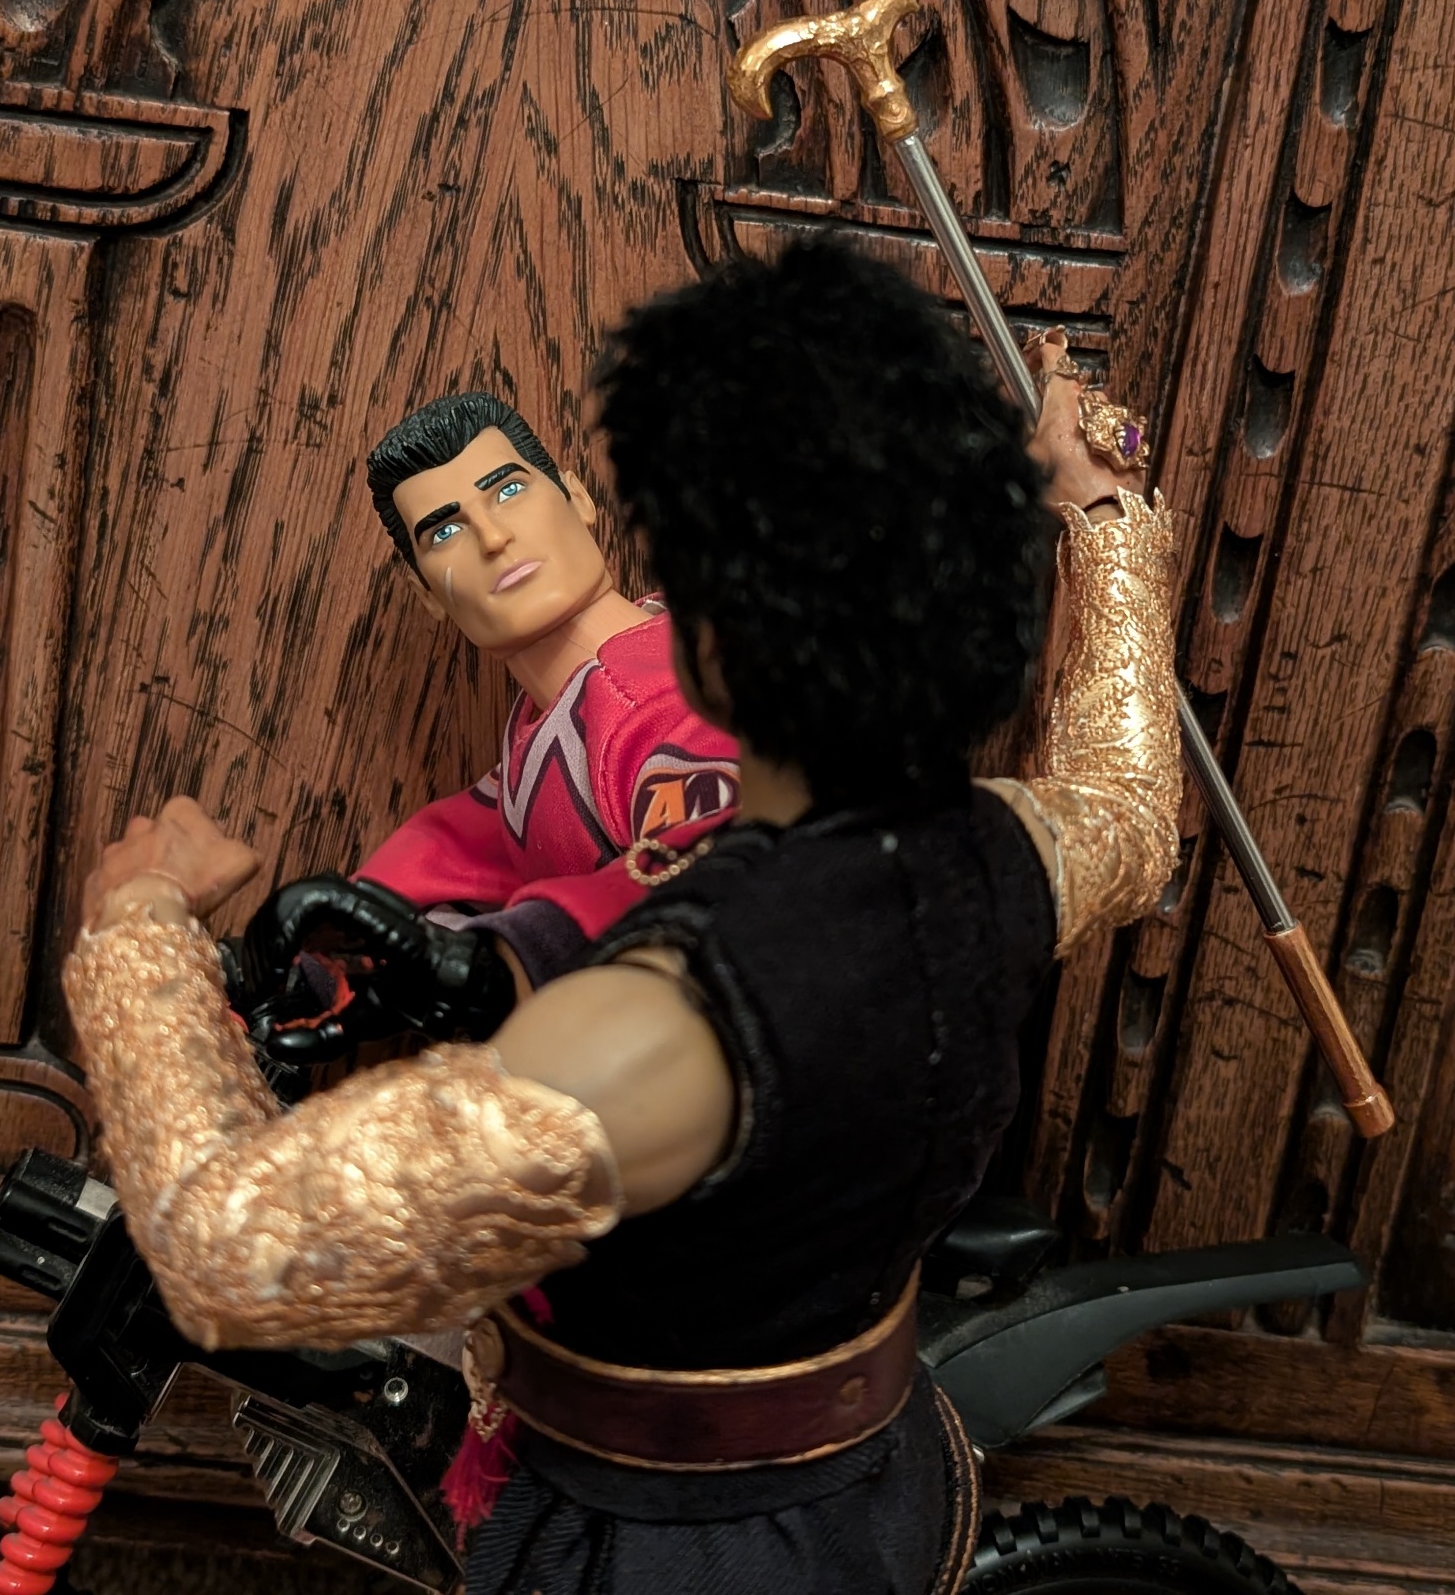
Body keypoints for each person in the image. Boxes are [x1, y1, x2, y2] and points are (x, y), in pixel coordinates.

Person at [64, 241, 1180, 1594]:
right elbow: (1126, 794)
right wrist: (1102, 515)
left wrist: (138, 930)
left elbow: (227, 1255)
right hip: (882, 1482)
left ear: (702, 628)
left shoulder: (648, 1030)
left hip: (671, 1553)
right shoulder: (1007, 853)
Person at [250, 392, 741, 1039]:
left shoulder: (666, 692)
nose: (492, 537)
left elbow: (716, 862)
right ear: (425, 592)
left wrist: (508, 960)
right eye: (444, 531)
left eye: (508, 490)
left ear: (576, 497)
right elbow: (466, 843)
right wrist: (314, 969)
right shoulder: (554, 722)